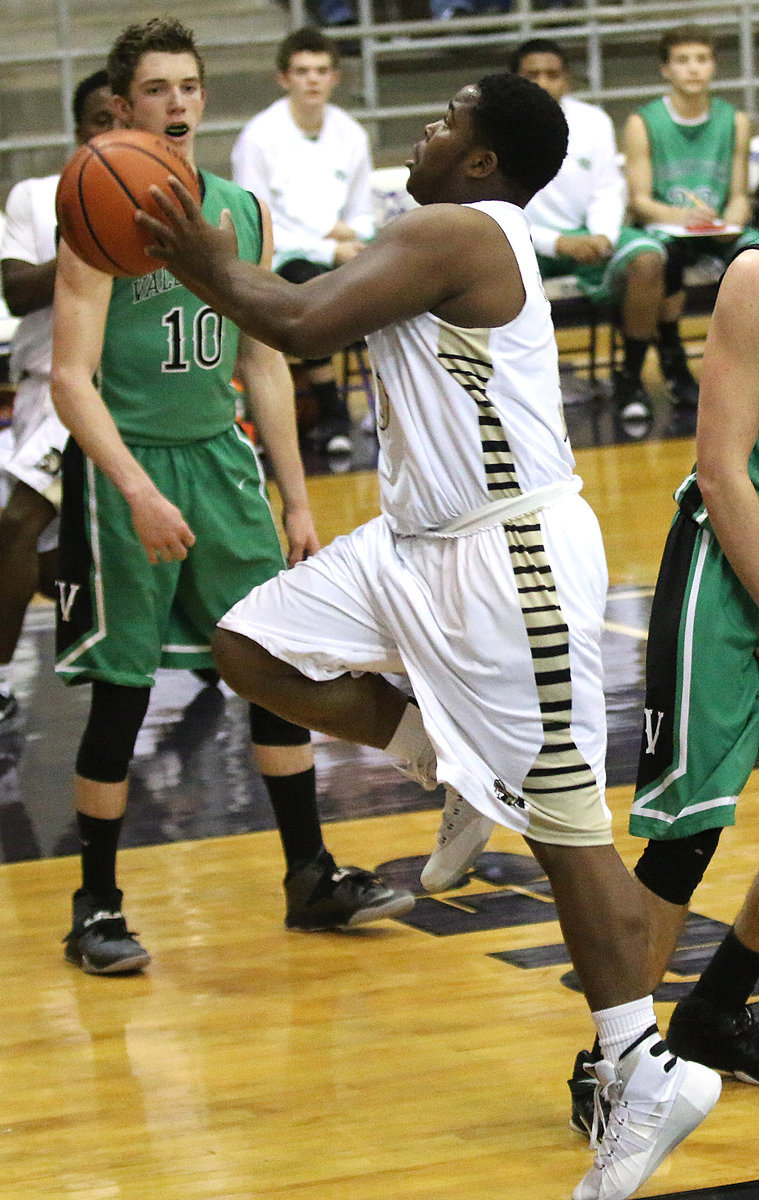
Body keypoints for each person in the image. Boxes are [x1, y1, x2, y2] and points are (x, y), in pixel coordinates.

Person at [141, 70, 721, 1200]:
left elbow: (298, 323)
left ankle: (642, 1067)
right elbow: (307, 297)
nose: (425, 127)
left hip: (509, 557)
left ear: (483, 161)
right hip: (413, 543)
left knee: (564, 827)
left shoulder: (459, 230)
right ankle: (442, 762)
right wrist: (216, 264)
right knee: (251, 646)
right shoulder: (436, 230)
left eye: (448, 118)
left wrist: (198, 257)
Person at [50, 17, 414, 977]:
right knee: (123, 694)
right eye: (155, 89)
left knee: (272, 661)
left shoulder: (241, 211)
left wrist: (295, 498)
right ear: (122, 106)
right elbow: (70, 379)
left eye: (188, 86)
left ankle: (309, 874)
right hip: (127, 469)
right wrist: (134, 489)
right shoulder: (96, 208)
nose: (175, 103)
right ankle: (95, 906)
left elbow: (263, 363)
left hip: (223, 462)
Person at [568, 247, 759, 1136]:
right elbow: (720, 471)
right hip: (728, 560)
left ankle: (714, 1010)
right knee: (687, 831)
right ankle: (611, 1064)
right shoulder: (753, 278)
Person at [0, 69, 114, 725]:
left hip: (105, 388)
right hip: (42, 390)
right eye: (100, 120)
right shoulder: (36, 196)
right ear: (78, 131)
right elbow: (17, 291)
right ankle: (187, 644)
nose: (112, 131)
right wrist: (93, 242)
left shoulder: (155, 197)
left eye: (122, 118)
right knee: (47, 560)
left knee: (16, 524)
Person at [231, 27, 374, 456]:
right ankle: (333, 414)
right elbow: (260, 223)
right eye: (302, 71)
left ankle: (394, 406)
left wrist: (347, 236)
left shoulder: (352, 135)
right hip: (279, 260)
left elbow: (361, 215)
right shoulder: (258, 138)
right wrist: (327, 241)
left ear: (335, 77)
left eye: (322, 70)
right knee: (308, 282)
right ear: (283, 78)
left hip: (341, 252)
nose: (313, 79)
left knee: (394, 280)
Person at [512, 39, 667, 426]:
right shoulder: (494, 128)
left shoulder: (593, 121)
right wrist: (557, 242)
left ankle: (630, 380)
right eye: (532, 75)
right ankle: (516, 390)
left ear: (567, 79)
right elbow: (496, 212)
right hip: (521, 242)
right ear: (514, 79)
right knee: (486, 267)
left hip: (588, 235)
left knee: (648, 259)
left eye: (552, 74)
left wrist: (603, 237)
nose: (543, 82)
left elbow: (607, 190)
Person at [624, 24, 759, 409]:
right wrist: (684, 217)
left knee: (754, 252)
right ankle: (672, 361)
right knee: (662, 258)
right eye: (682, 61)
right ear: (665, 69)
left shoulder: (734, 120)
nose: (693, 68)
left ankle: (746, 364)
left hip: (716, 227)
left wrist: (729, 222)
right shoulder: (642, 122)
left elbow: (739, 196)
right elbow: (640, 201)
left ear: (714, 66)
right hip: (668, 228)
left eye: (701, 59)